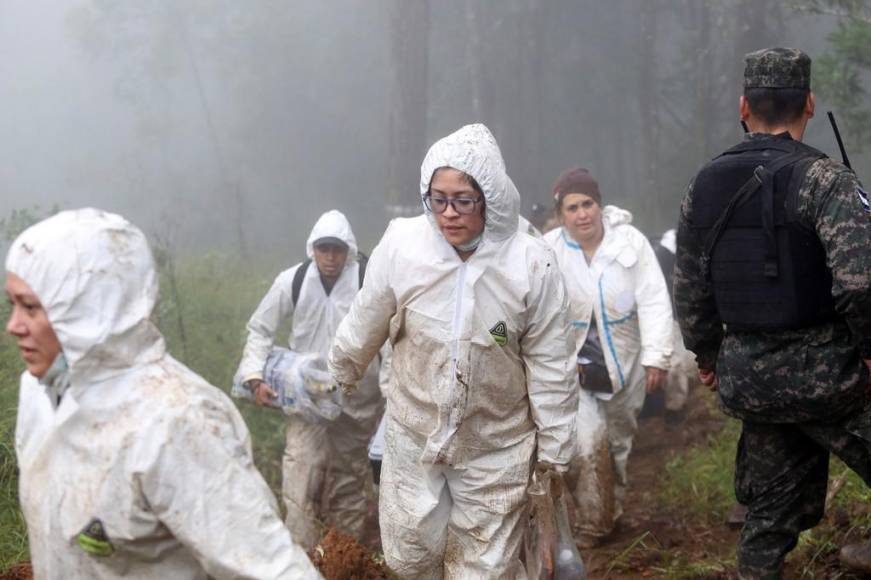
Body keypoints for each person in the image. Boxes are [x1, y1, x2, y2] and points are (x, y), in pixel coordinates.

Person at [5, 208, 320, 579]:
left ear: (89, 311)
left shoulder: (176, 421)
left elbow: (272, 569)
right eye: (11, 304)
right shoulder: (39, 392)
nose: (13, 326)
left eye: (30, 308)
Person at [329, 123, 578, 578]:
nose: (449, 213)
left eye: (463, 200)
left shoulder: (530, 262)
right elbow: (368, 315)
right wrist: (343, 367)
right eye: (438, 199)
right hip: (413, 432)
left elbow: (550, 360)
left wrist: (555, 446)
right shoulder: (404, 246)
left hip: (496, 445)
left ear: (491, 200)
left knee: (484, 569)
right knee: (411, 559)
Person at [673, 47, 871, 578]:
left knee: (771, 510)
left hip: (750, 380)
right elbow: (860, 283)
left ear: (744, 106)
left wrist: (709, 355)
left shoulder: (703, 185)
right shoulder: (827, 181)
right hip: (831, 376)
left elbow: (690, 287)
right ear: (809, 103)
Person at [235, 209, 384, 550]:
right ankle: (301, 558)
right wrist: (254, 377)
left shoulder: (368, 281)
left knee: (348, 481)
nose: (330, 257)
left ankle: (344, 556)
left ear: (348, 249)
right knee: (300, 477)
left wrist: (389, 402)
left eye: (336, 249)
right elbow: (260, 328)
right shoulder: (293, 281)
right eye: (323, 249)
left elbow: (388, 342)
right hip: (306, 399)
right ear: (312, 249)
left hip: (357, 399)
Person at [543, 168, 672, 547]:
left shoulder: (629, 243)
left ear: (599, 206)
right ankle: (590, 521)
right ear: (561, 214)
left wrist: (656, 356)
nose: (582, 214)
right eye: (572, 208)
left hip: (624, 361)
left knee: (617, 443)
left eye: (588, 204)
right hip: (573, 368)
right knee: (584, 442)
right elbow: (523, 304)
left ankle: (608, 512)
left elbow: (653, 299)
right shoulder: (549, 249)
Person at [652, 228, 698, 427]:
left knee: (687, 362)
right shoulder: (663, 255)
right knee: (674, 363)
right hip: (668, 315)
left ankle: (682, 400)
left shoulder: (693, 246)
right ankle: (674, 408)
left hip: (687, 314)